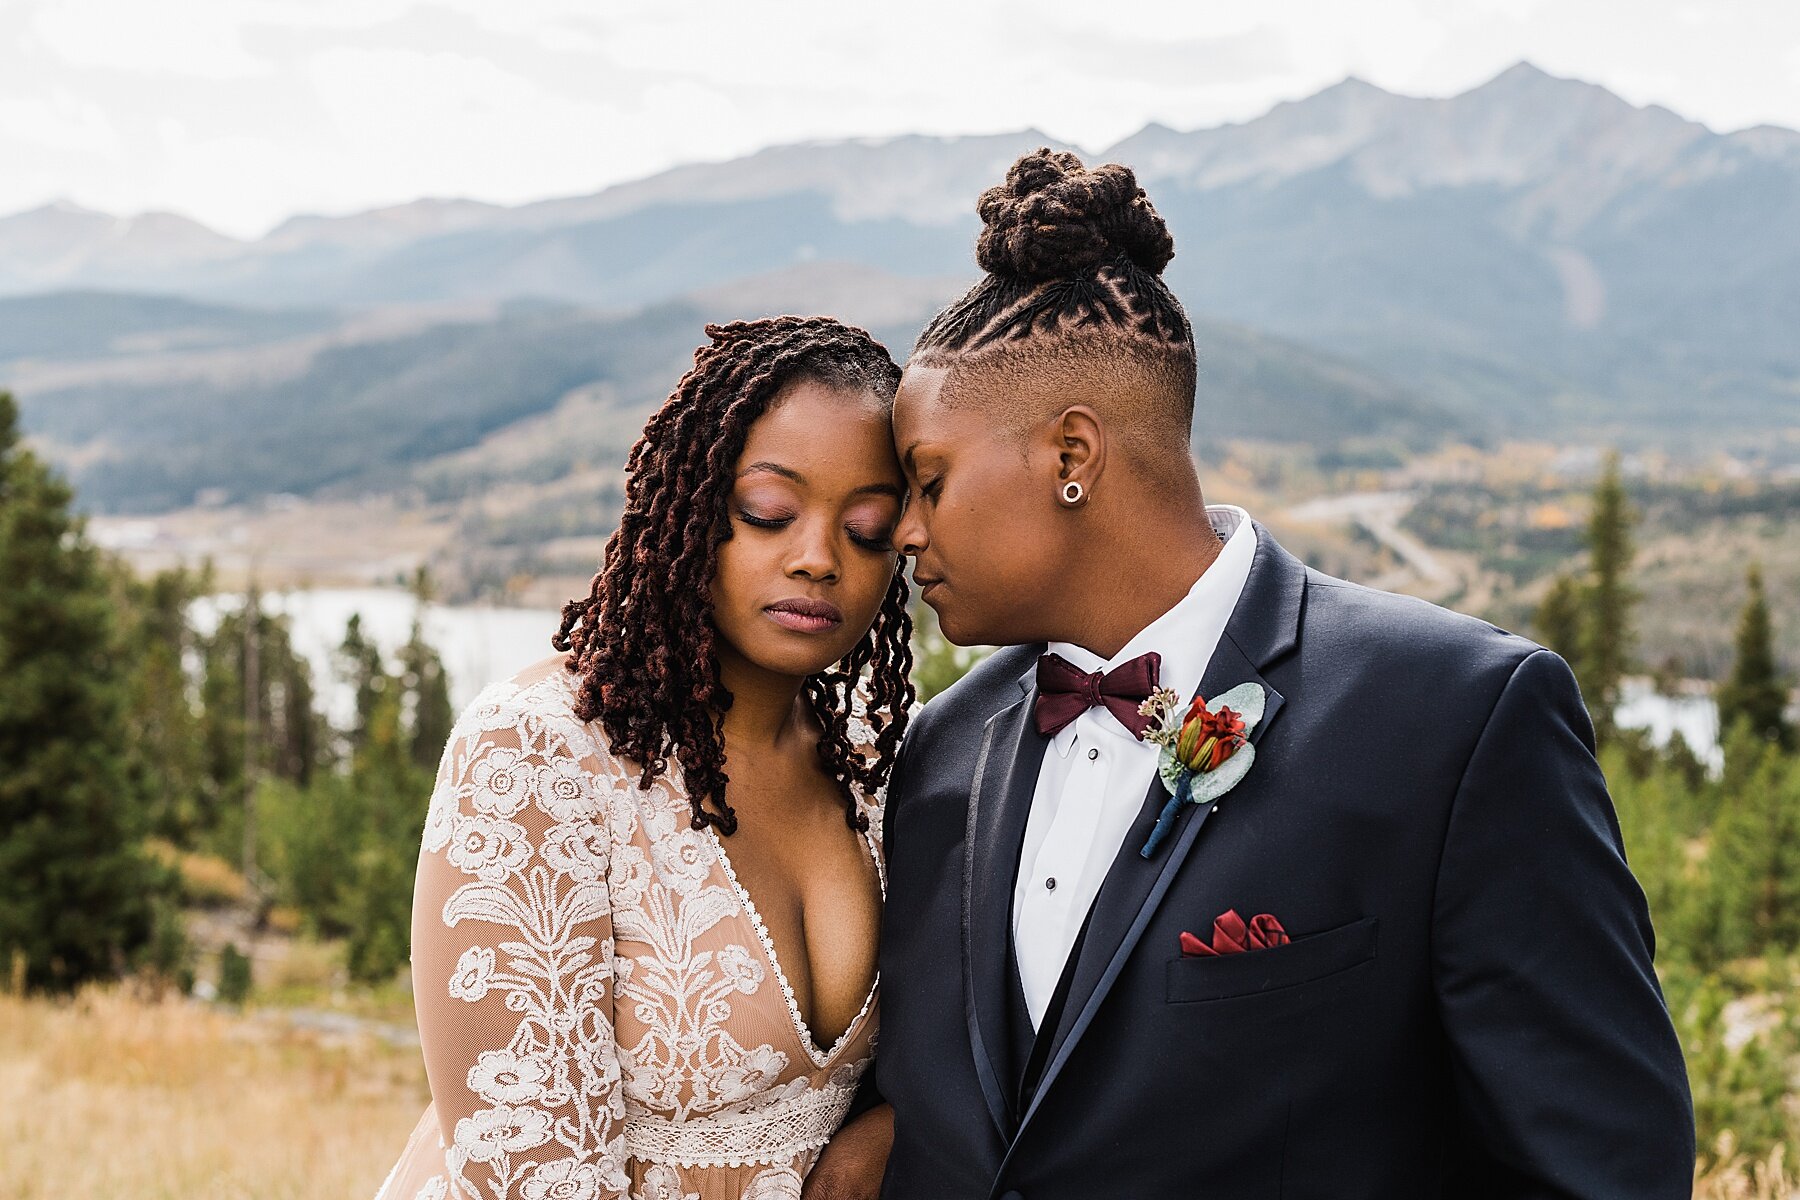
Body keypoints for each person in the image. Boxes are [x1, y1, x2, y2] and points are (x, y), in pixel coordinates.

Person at [832, 149, 1695, 1198]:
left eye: (928, 481)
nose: (906, 533)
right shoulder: (941, 753)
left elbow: (1604, 1166)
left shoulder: (1456, 721)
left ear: (1071, 455)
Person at [375, 315, 915, 1200]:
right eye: (769, 514)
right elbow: (534, 1178)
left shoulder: (883, 751)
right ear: (693, 503)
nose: (818, 559)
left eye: (866, 529)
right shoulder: (540, 755)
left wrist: (882, 1139)